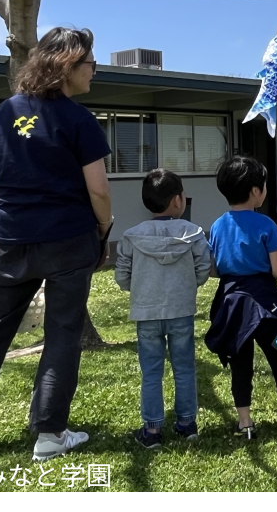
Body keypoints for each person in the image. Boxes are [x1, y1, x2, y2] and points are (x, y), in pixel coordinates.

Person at [0, 28, 112, 465]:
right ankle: (50, 434)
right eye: (90, 63)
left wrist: (10, 221)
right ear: (67, 65)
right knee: (62, 333)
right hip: (69, 239)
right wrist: (105, 229)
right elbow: (99, 191)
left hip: (11, 240)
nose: (95, 71)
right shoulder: (78, 120)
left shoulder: (5, 112)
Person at [114, 169, 211, 448]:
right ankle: (186, 423)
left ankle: (152, 430)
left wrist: (140, 287)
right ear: (178, 200)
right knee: (184, 367)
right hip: (181, 309)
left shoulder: (132, 236)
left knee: (151, 371)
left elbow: (122, 274)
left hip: (146, 312)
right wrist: (191, 284)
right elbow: (203, 268)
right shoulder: (192, 233)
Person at [205, 156, 277, 439]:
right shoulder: (266, 225)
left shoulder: (218, 226)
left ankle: (245, 421)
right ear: (256, 191)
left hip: (232, 303)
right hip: (266, 303)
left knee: (240, 363)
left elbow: (214, 270)